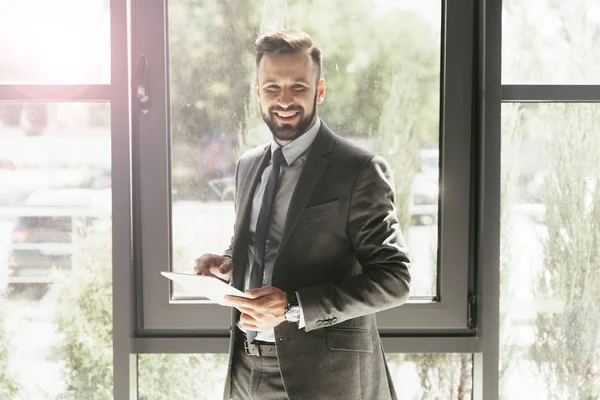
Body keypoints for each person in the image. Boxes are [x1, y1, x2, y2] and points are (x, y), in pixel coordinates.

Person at [194, 28, 411, 400]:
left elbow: (395, 279)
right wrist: (228, 262)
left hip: (327, 378)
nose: (284, 99)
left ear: (320, 90)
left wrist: (294, 306)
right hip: (247, 369)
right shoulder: (248, 165)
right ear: (257, 91)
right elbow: (261, 244)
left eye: (298, 86)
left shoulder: (359, 169)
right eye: (272, 87)